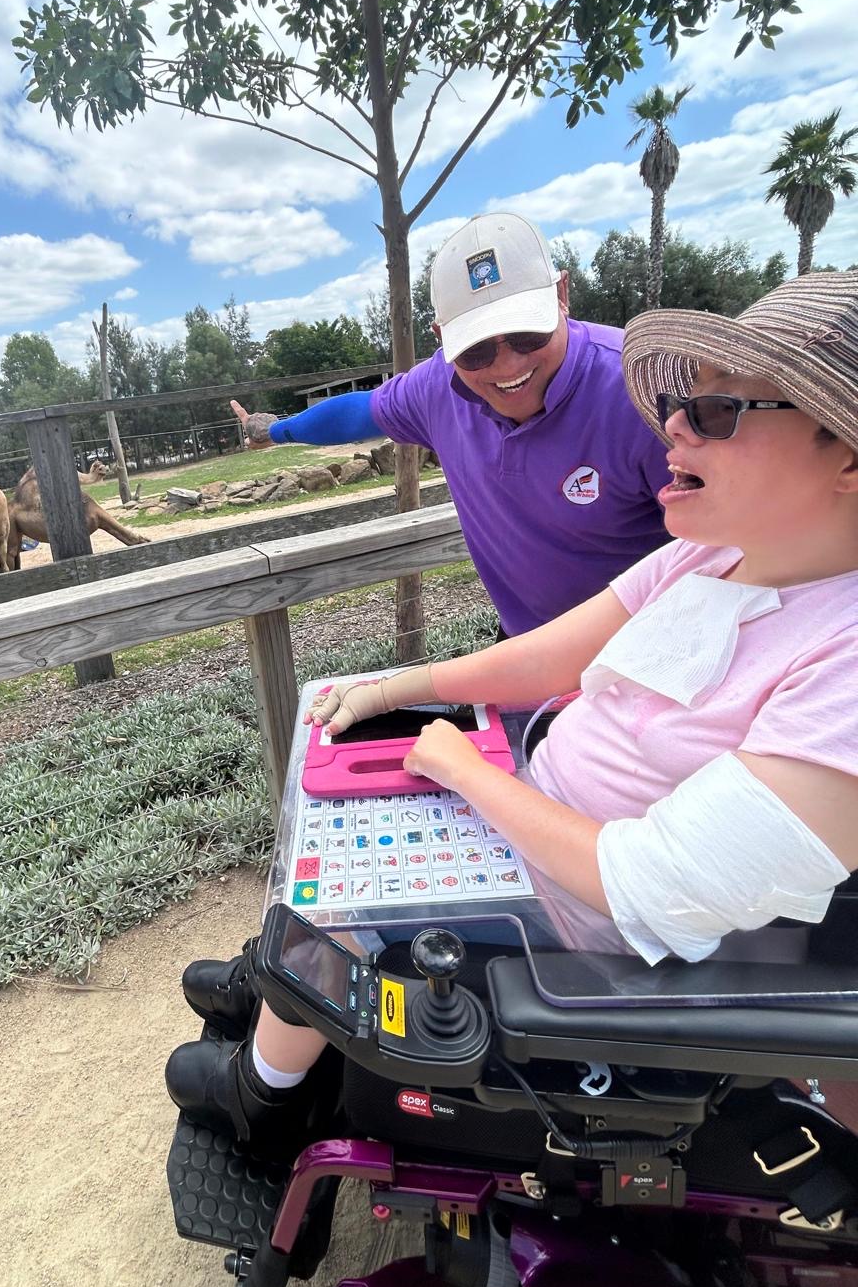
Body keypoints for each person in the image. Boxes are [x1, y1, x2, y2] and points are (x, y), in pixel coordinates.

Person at [170, 272, 858, 1151]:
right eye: (685, 403)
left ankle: (262, 1098)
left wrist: (463, 768)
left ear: (846, 457)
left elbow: (649, 886)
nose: (674, 425)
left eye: (720, 412)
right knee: (350, 826)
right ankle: (280, 984)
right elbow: (555, 651)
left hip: (605, 933)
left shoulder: (841, 663)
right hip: (541, 812)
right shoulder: (718, 557)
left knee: (342, 901)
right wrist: (401, 688)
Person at [233, 211, 671, 636]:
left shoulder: (644, 392)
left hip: (650, 662)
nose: (507, 365)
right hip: (523, 654)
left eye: (526, 334)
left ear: (561, 293)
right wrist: (271, 430)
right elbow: (354, 414)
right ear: (441, 338)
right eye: (476, 350)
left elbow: (723, 556)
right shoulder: (437, 388)